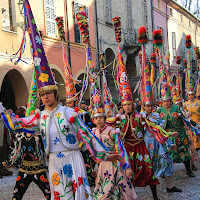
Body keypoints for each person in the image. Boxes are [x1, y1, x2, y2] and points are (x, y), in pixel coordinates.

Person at [92, 115, 138, 200]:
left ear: (105, 118)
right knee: (104, 187)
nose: (98, 120)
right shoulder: (94, 132)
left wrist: (127, 167)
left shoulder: (112, 132)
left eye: (100, 117)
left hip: (116, 163)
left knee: (120, 186)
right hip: (103, 164)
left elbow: (121, 149)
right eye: (96, 118)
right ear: (93, 120)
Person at [2, 132, 51, 200]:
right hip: (24, 169)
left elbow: (46, 151)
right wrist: (9, 162)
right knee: (17, 194)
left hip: (39, 170)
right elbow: (16, 152)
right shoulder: (20, 137)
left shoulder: (39, 137)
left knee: (48, 193)